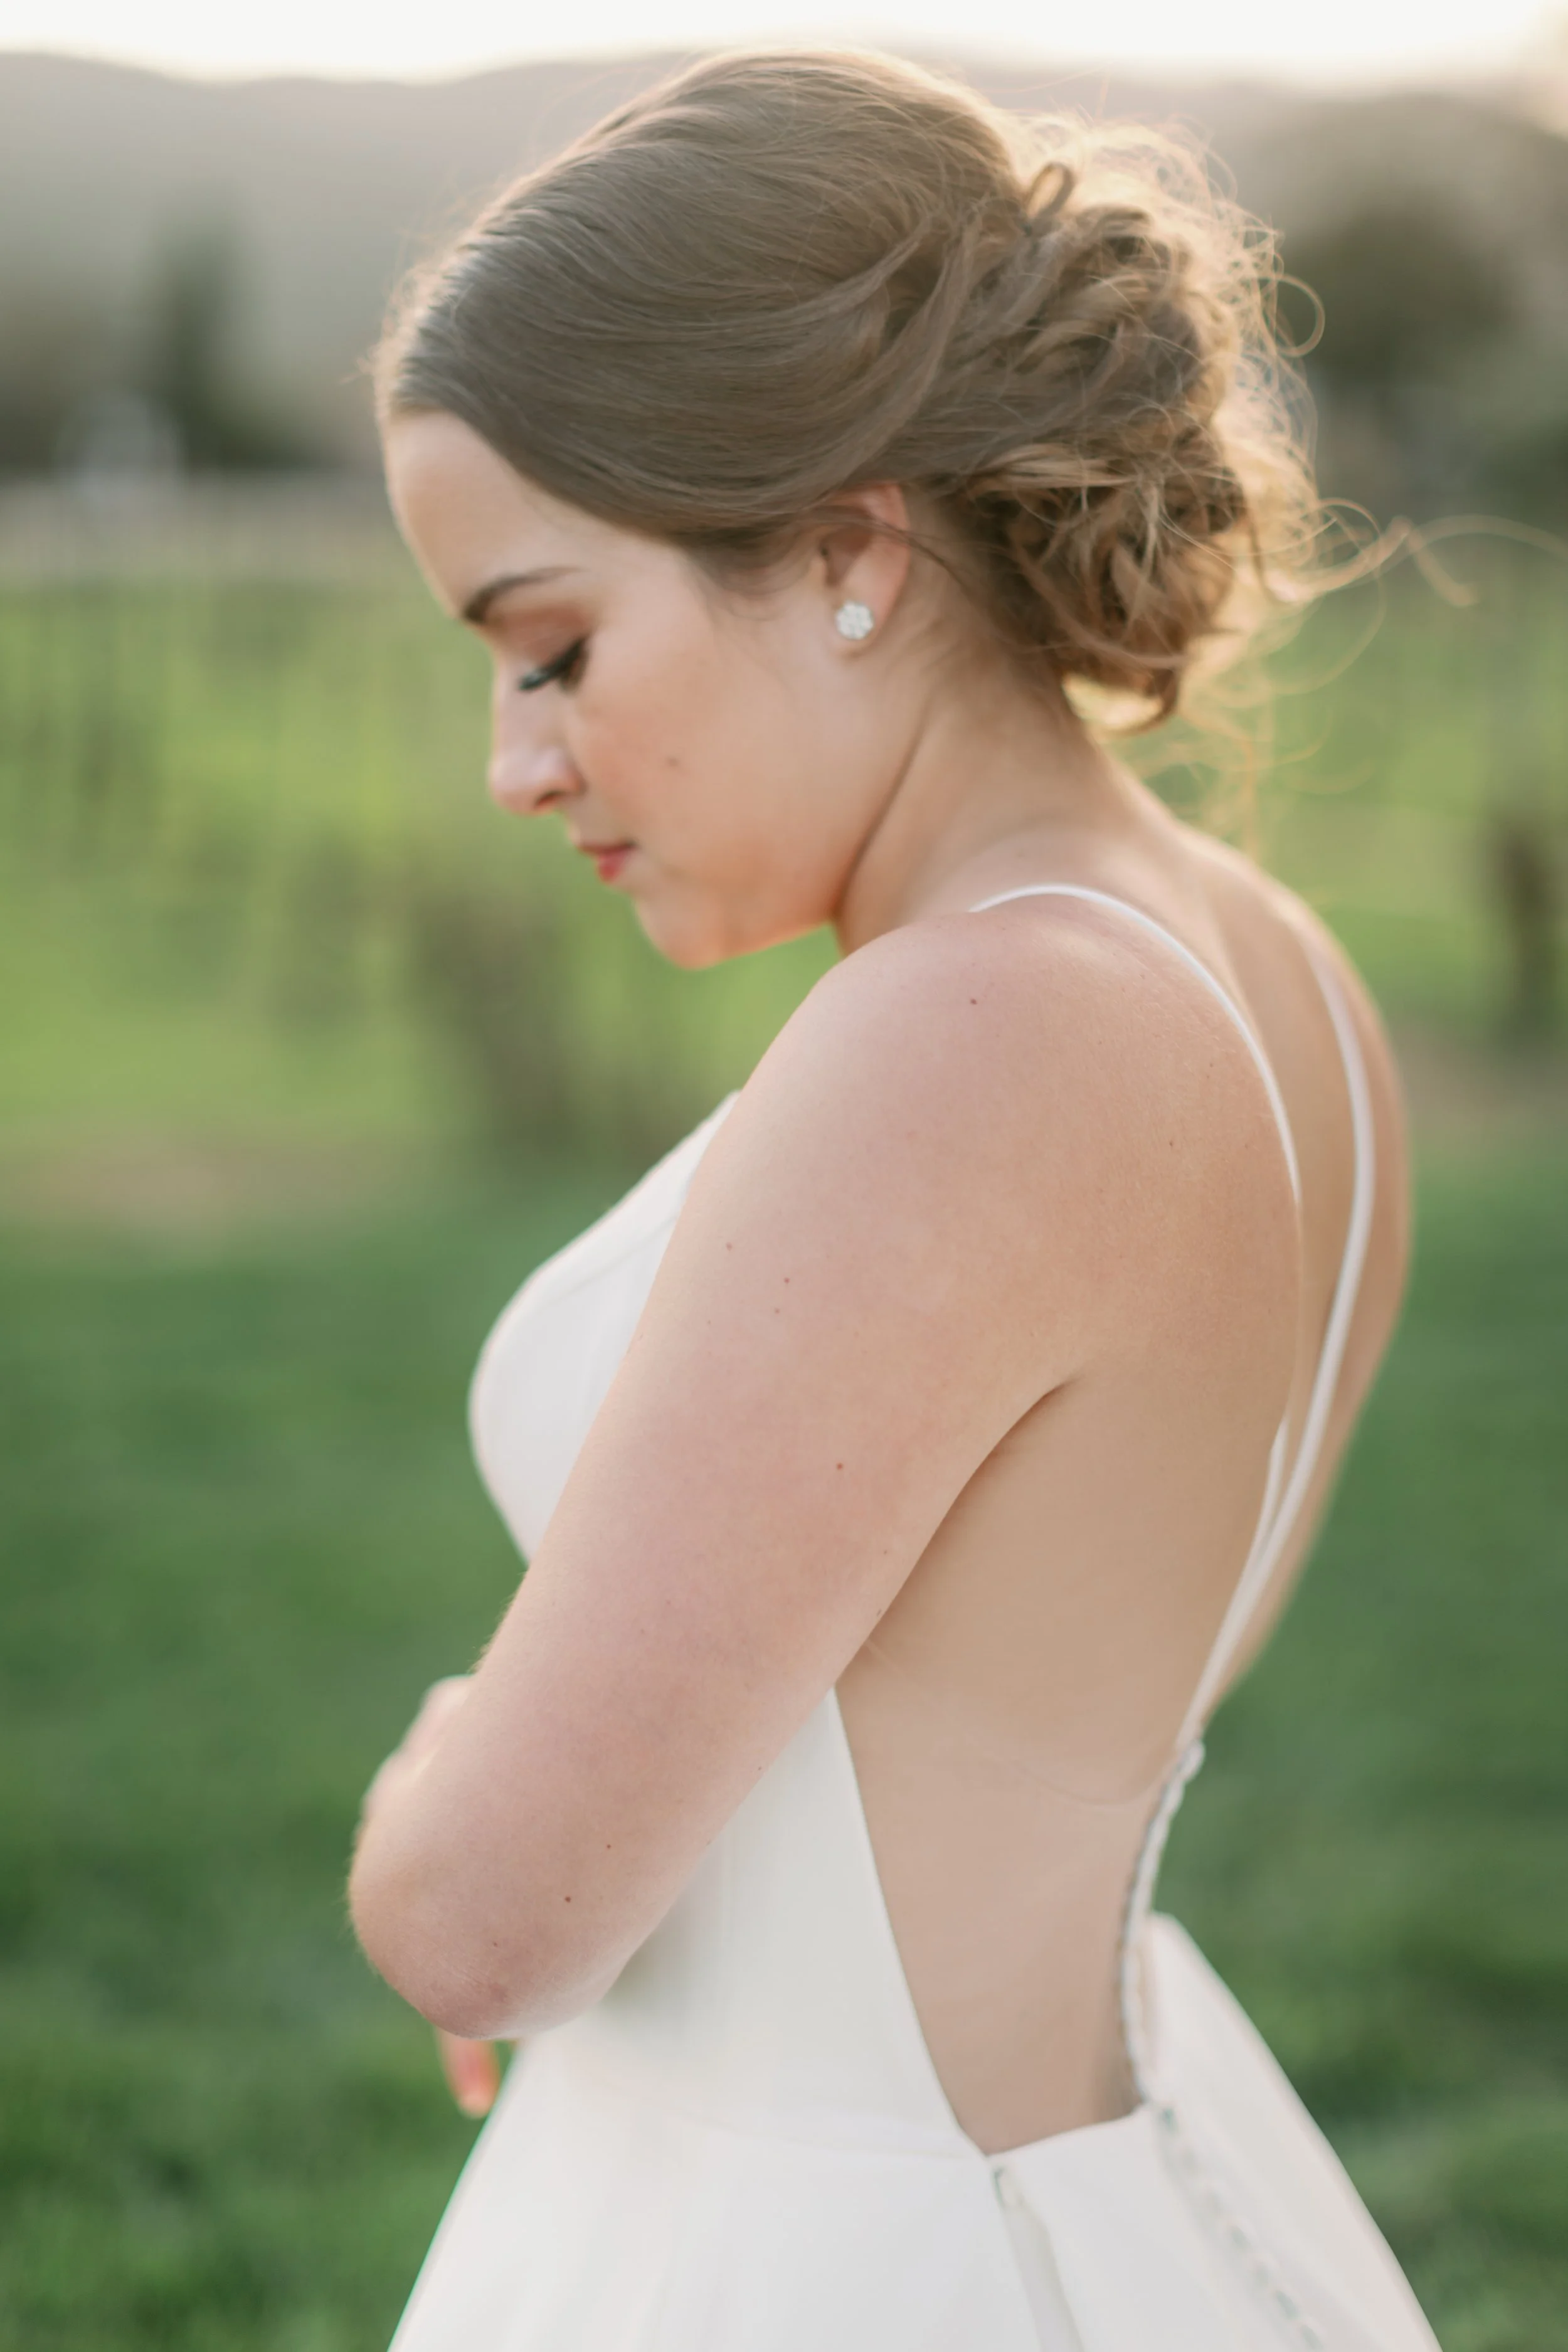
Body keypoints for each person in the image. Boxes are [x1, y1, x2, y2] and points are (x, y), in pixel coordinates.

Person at [349, 48, 1441, 2351]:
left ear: (847, 552)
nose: (514, 762)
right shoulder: (1277, 973)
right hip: (1097, 2178)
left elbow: (484, 1924)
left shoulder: (969, 1034)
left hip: (845, 2251)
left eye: (550, 647)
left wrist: (457, 1762)